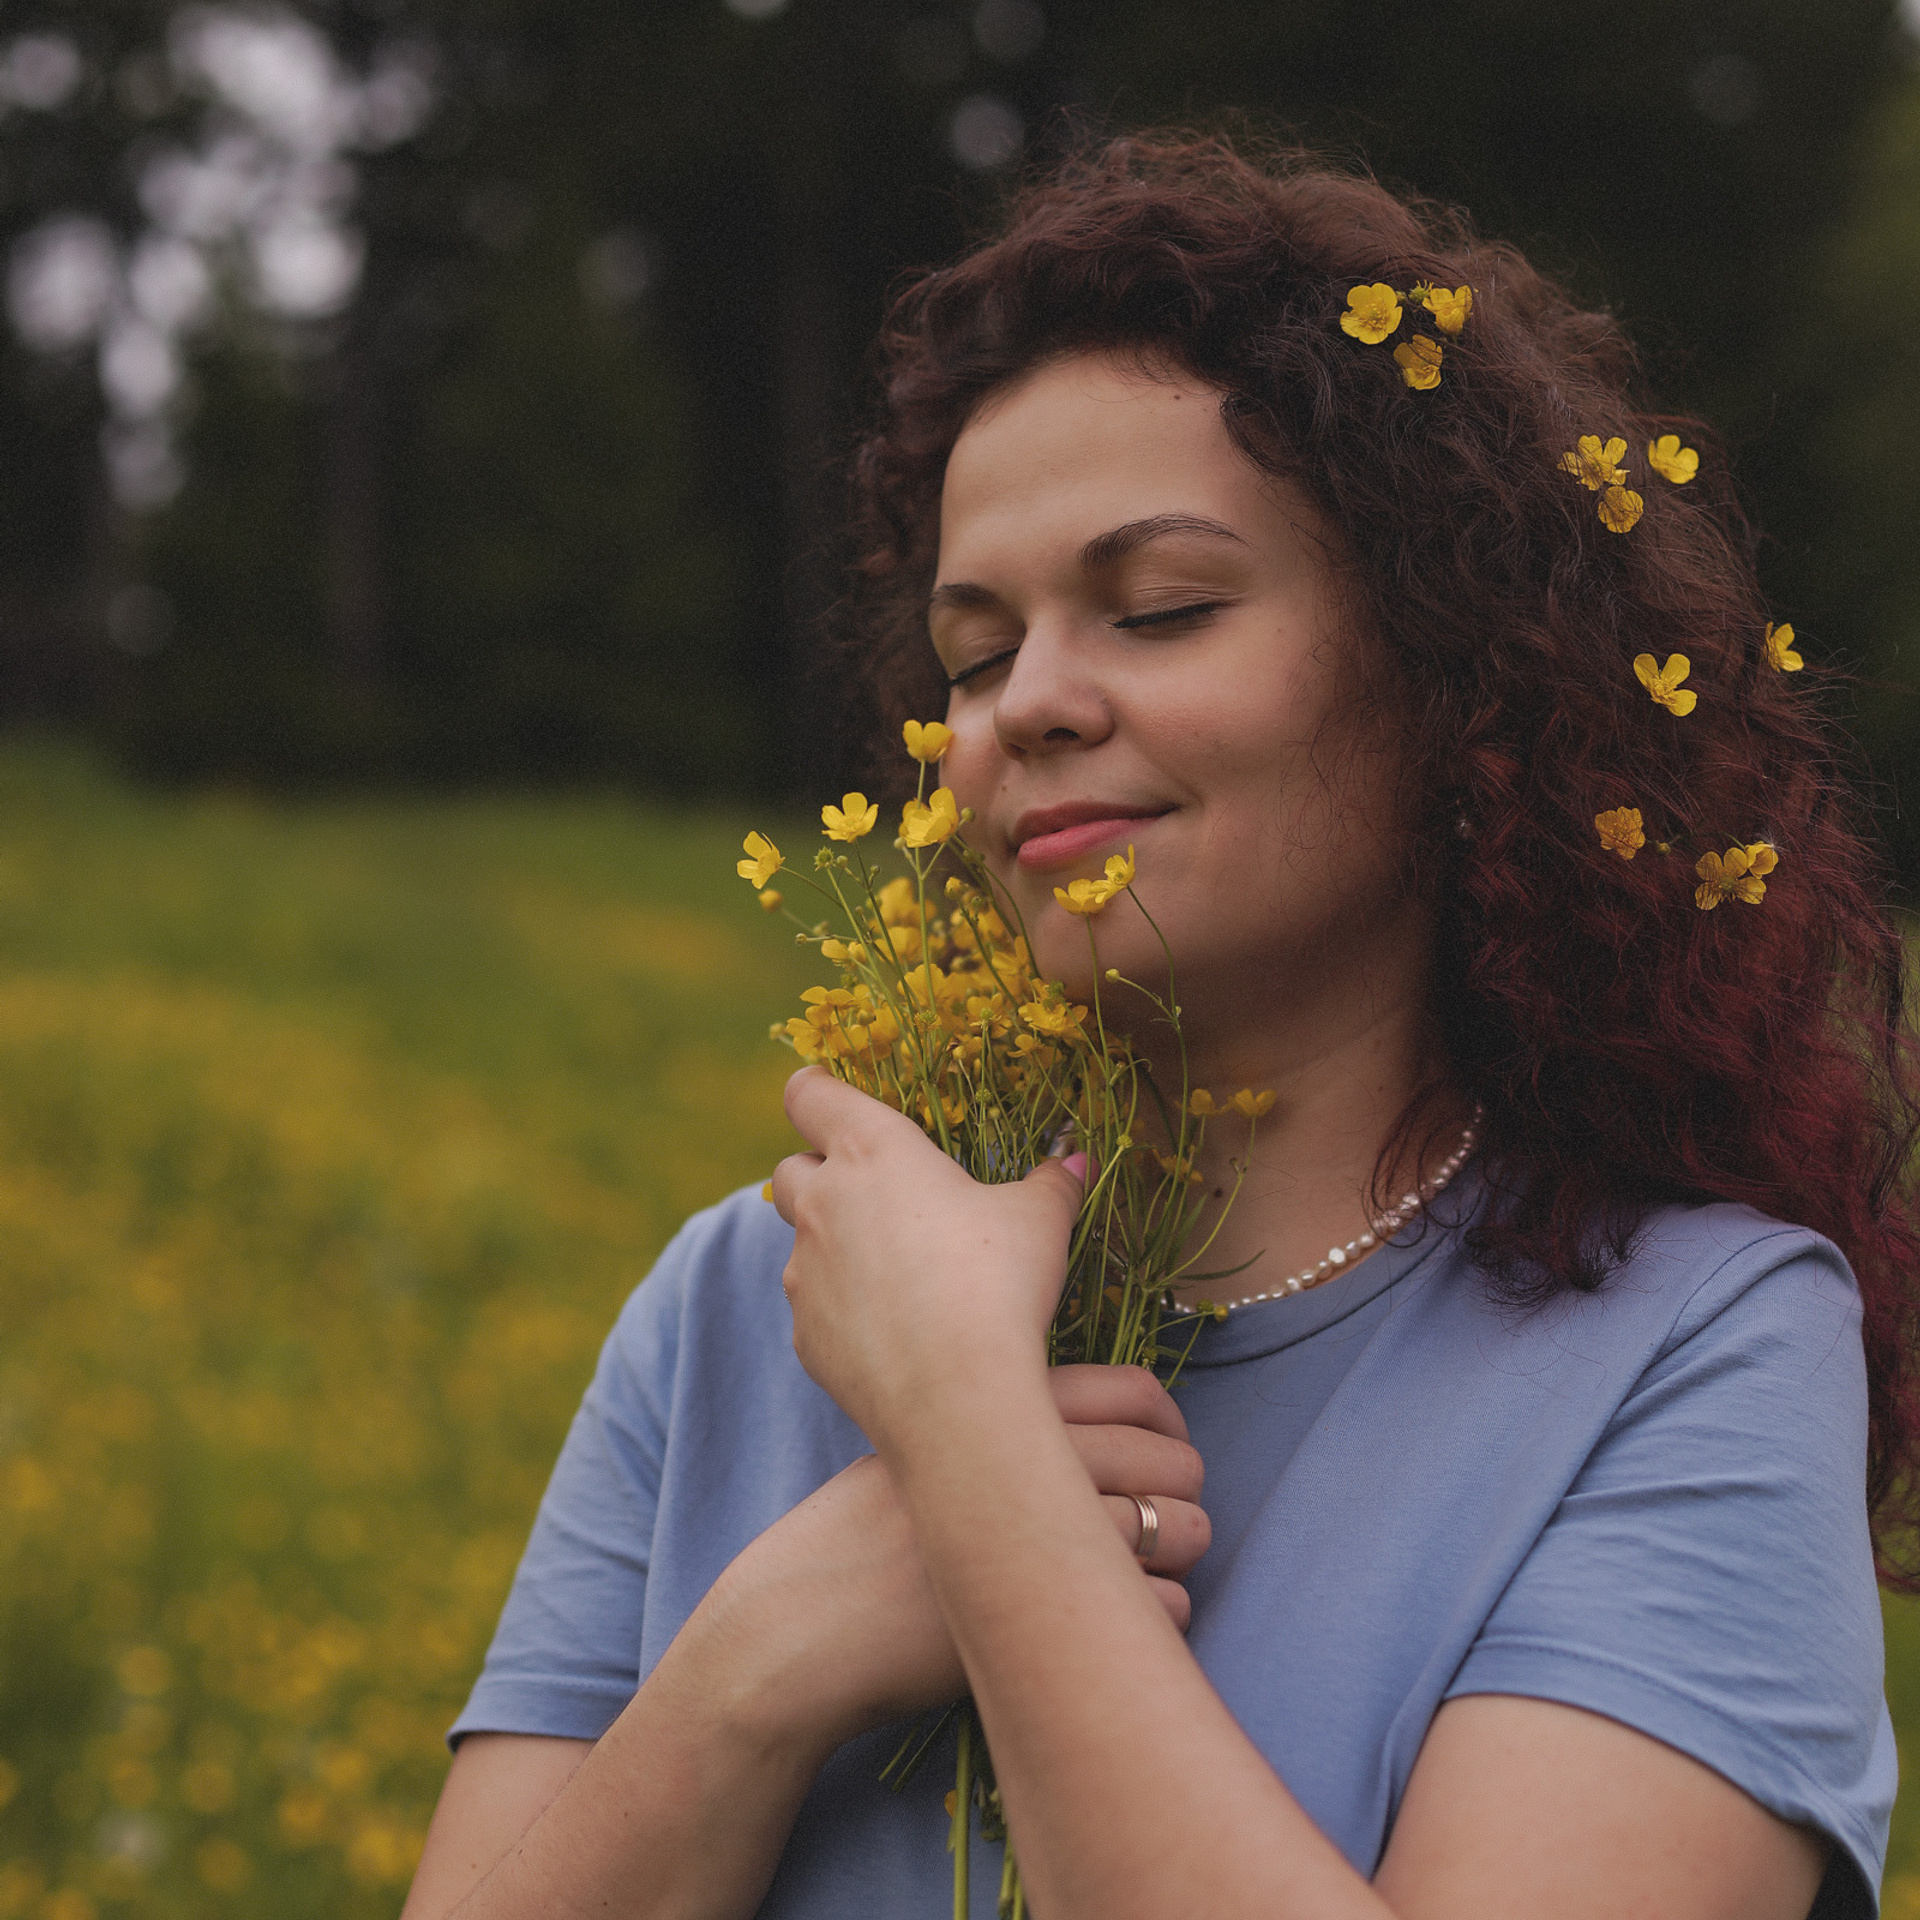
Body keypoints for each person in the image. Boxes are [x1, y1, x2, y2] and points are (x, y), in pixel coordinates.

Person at [402, 135, 1920, 1920]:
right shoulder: (751, 1298)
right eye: (976, 654)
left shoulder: (1697, 1342)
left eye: (1162, 610)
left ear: (1456, 669)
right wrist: (756, 1667)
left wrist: (968, 1445)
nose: (1028, 706)